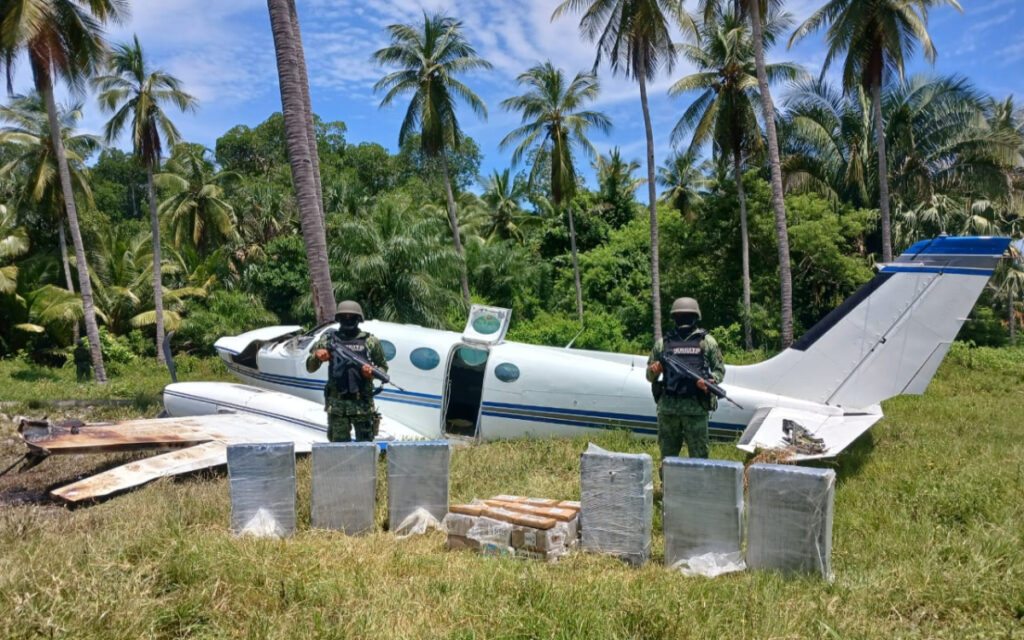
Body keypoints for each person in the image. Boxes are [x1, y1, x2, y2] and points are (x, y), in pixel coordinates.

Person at [646, 297, 725, 467]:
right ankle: (669, 484)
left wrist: (709, 381)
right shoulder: (663, 344)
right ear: (674, 318)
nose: (683, 320)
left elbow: (719, 371)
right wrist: (654, 370)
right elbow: (649, 376)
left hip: (696, 410)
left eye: (687, 316)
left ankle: (697, 485)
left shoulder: (707, 342)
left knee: (699, 460)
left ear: (695, 318)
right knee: (668, 459)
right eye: (680, 316)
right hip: (669, 411)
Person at [305, 300, 388, 442]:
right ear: (338, 318)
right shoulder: (328, 340)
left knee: (366, 448)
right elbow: (310, 367)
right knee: (339, 449)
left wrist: (372, 373)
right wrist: (317, 356)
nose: (348, 319)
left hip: (362, 404)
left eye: (352, 316)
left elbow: (383, 368)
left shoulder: (370, 341)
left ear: (359, 319)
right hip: (337, 405)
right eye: (344, 316)